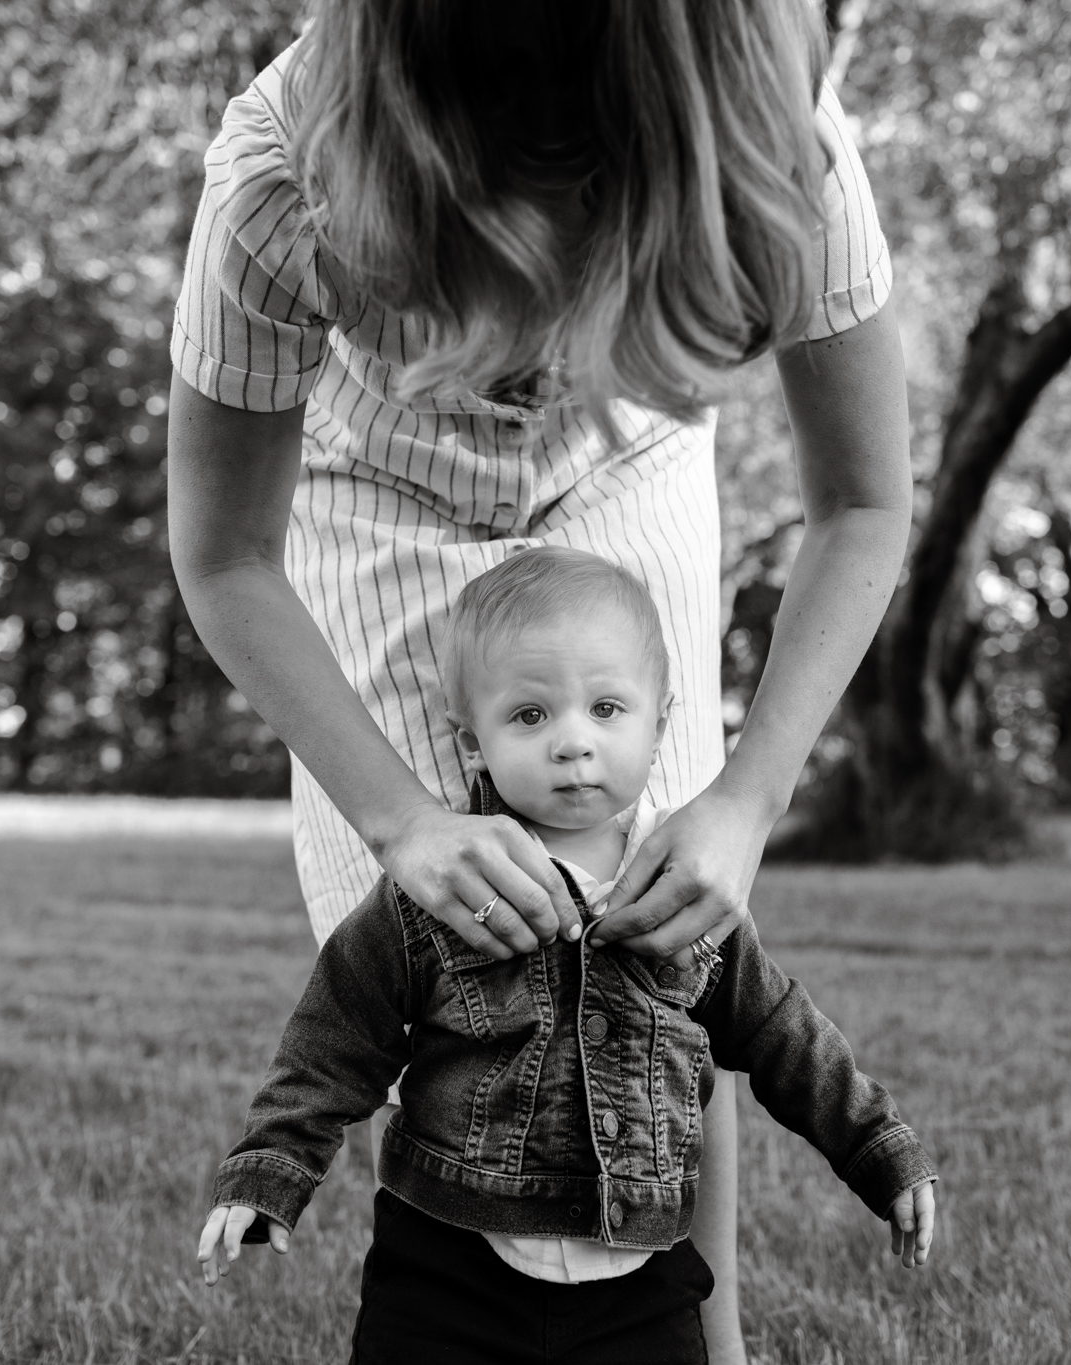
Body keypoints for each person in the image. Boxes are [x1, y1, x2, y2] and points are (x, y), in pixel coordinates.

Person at [165, 0, 913, 1353]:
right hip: (363, 486)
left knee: (664, 930)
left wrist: (742, 803)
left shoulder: (774, 153)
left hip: (622, 464)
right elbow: (224, 556)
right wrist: (403, 819)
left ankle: (701, 1343)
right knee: (448, 948)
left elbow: (864, 504)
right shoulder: (284, 185)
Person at [194, 549, 939, 1363]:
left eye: (607, 707)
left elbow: (784, 1034)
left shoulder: (686, 889)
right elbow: (338, 1033)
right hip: (448, 1265)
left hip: (643, 1280)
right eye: (530, 716)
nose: (573, 743)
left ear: (662, 723)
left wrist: (880, 1152)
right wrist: (272, 1167)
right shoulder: (440, 887)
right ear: (470, 739)